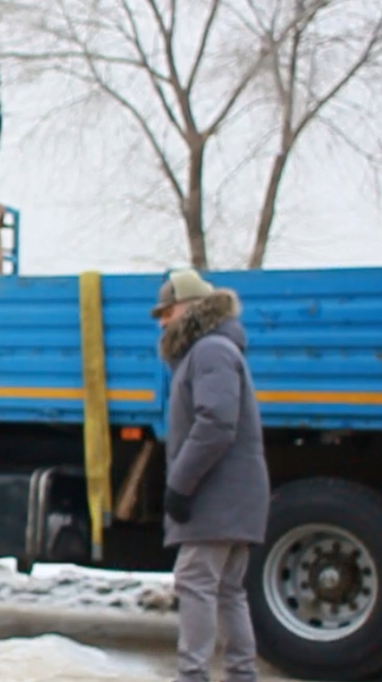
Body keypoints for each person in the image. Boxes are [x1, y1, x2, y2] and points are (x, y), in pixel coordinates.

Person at [152, 269, 271, 682]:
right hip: (232, 496)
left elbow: (217, 423)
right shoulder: (216, 349)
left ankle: (193, 675)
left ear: (190, 307)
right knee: (226, 590)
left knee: (196, 582)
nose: (162, 321)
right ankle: (241, 674)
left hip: (215, 495)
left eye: (167, 312)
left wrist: (179, 484)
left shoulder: (210, 351)